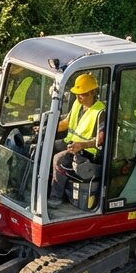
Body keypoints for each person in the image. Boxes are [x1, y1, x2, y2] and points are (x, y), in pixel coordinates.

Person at [48, 73, 105, 207]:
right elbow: (67, 122)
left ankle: (55, 198)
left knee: (59, 159)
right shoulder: (77, 104)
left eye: (83, 94)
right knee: (42, 147)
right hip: (70, 143)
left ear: (93, 92)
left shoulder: (100, 112)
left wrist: (83, 145)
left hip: (86, 152)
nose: (79, 97)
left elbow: (101, 140)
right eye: (77, 93)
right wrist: (47, 129)